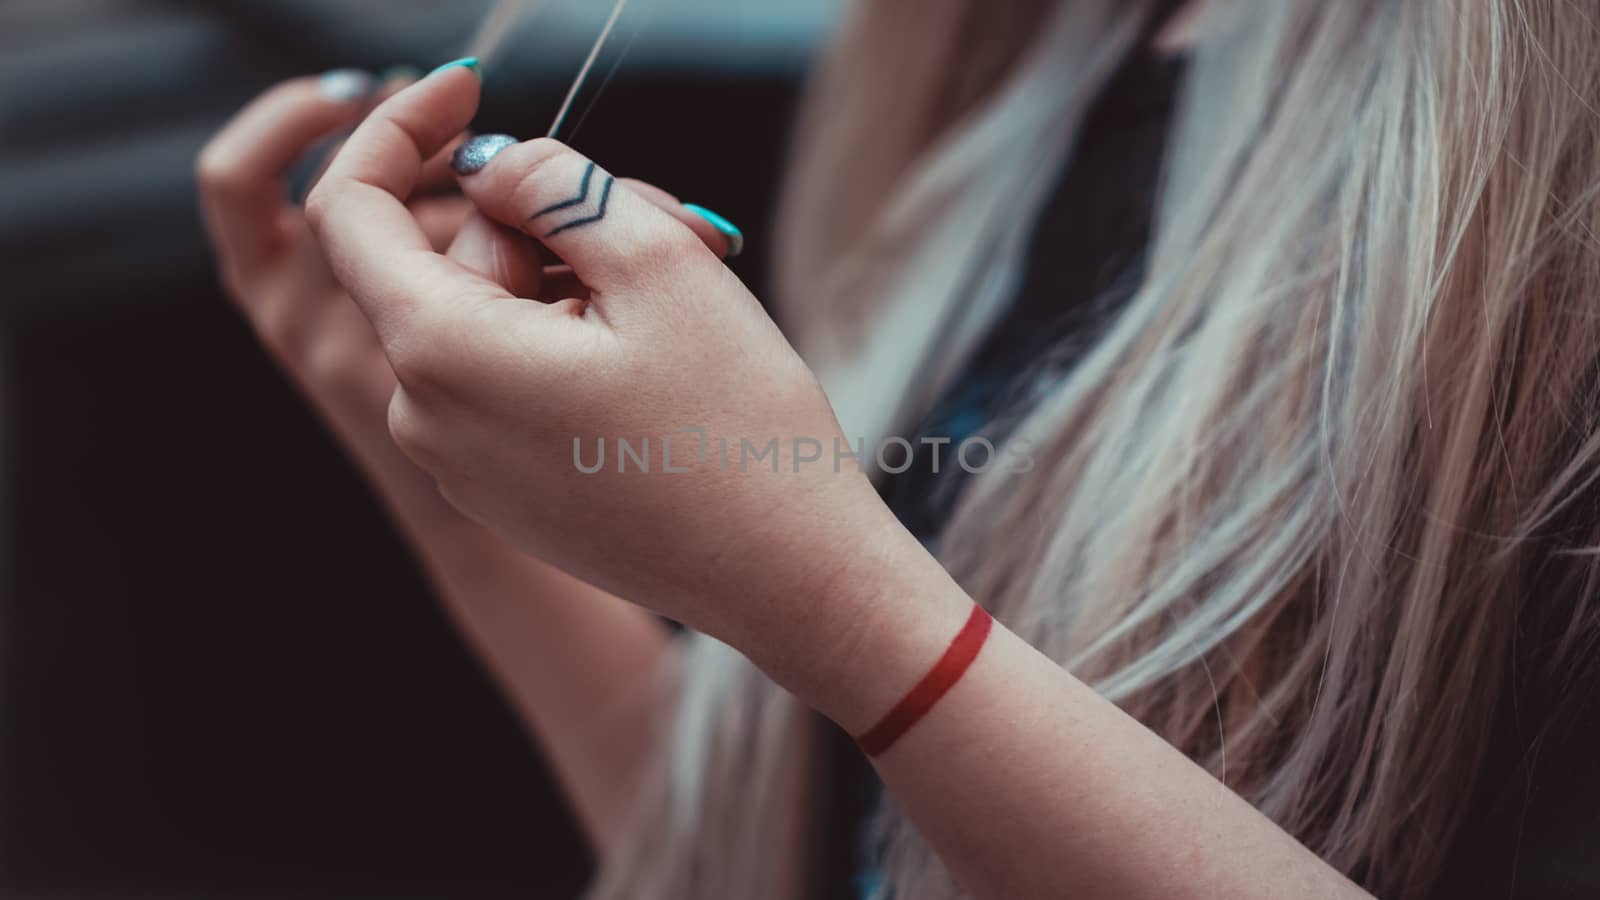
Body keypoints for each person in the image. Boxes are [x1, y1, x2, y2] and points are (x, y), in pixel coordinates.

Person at [195, 1, 1600, 897]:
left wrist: (835, 605)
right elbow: (797, 854)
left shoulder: (1539, 195)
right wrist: (446, 477)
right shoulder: (1005, 61)